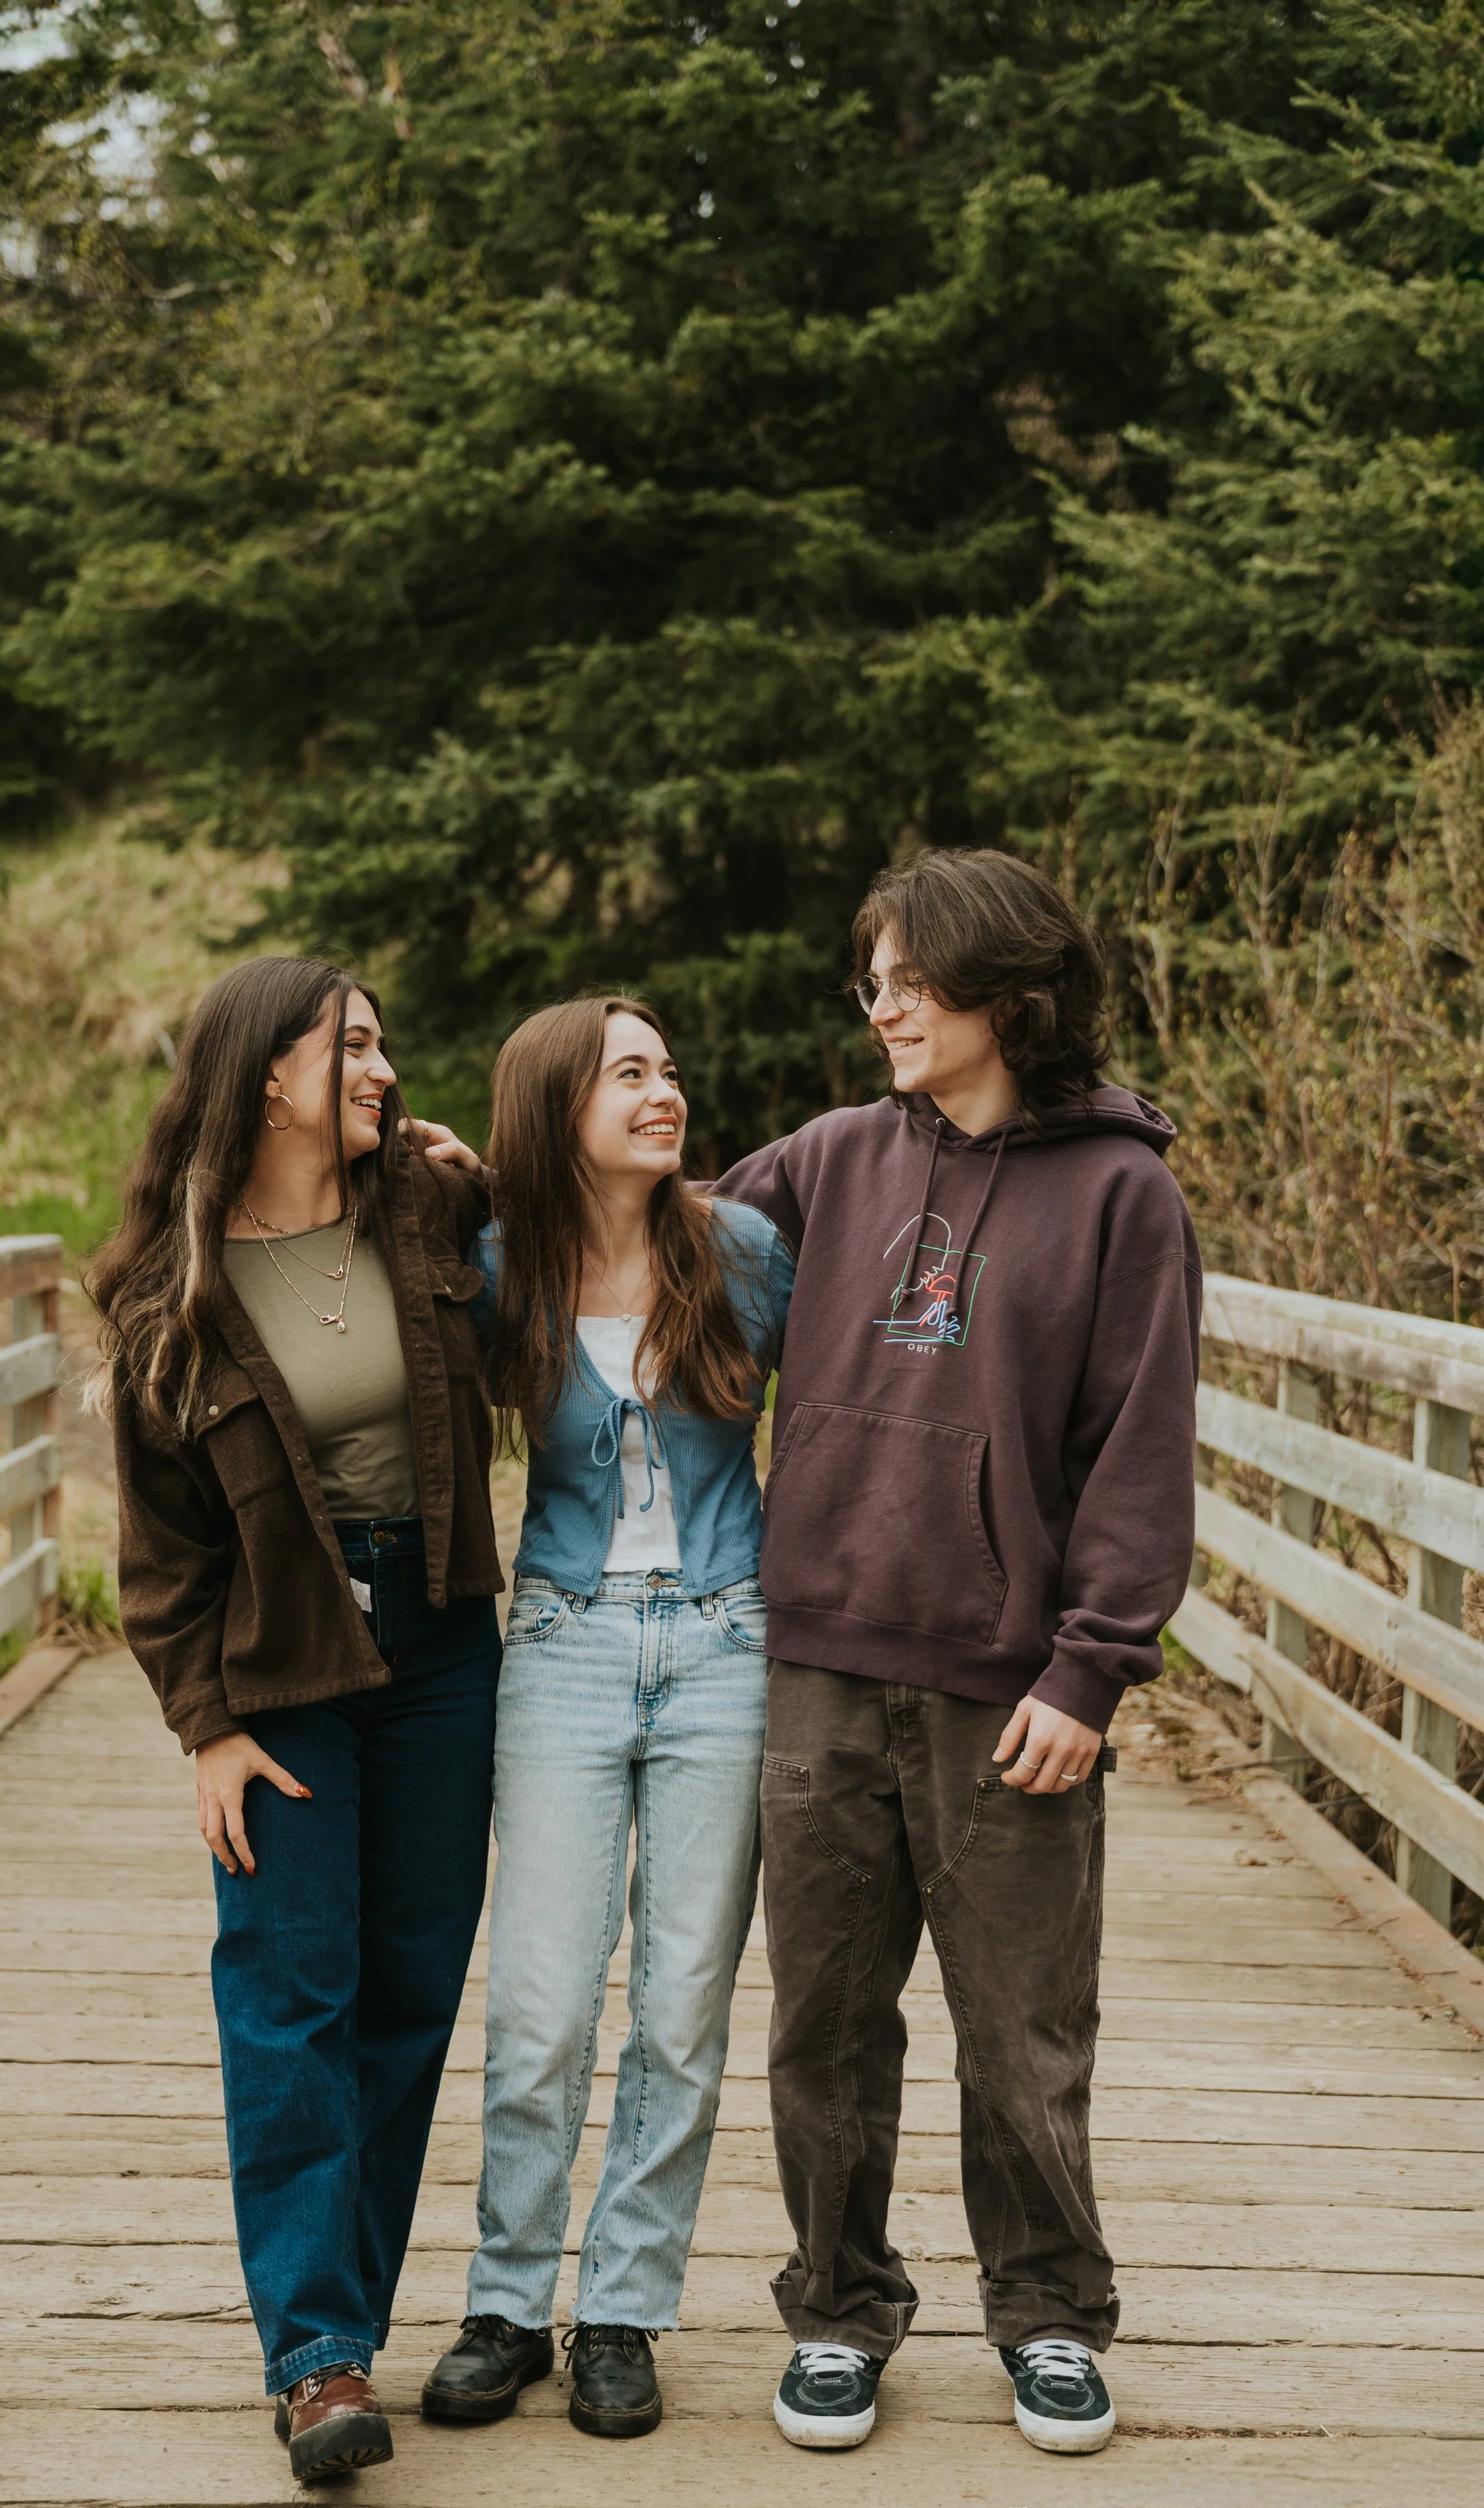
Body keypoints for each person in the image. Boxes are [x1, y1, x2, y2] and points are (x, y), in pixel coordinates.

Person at [716, 848, 1202, 2457]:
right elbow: (657, 1260)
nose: (881, 1006)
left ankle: (1050, 2314)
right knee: (824, 2025)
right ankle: (839, 2311)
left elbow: (1140, 1449)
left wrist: (1089, 1668)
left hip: (1010, 1687)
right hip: (820, 1661)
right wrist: (476, 1184)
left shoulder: (1125, 1195)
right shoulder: (832, 1158)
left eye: (911, 979)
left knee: (1022, 2028)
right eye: (870, 978)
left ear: (1009, 989)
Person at [87, 958, 504, 2485]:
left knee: (405, 1987)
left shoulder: (425, 1212)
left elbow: (597, 1265)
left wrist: (496, 1184)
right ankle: (316, 2358)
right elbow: (161, 1549)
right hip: (283, 1662)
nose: (388, 1069)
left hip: (445, 1645)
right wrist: (203, 1722)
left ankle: (344, 2323)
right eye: (360, 1046)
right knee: (286, 1994)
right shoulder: (167, 1288)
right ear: (272, 1075)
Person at [415, 997, 794, 2441]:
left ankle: (623, 2308)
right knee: (540, 2004)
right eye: (628, 1074)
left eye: (671, 1072)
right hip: (560, 1646)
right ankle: (507, 2301)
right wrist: (440, 1178)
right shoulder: (497, 1263)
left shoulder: (744, 1253)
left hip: (728, 1643)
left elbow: (847, 1415)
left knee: (684, 2004)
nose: (665, 1093)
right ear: (555, 1102)